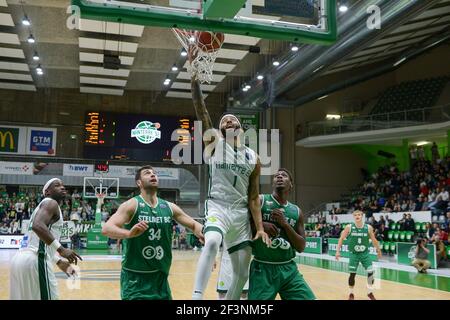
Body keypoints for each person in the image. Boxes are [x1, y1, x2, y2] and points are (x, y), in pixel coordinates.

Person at [190, 76, 269, 300]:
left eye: (232, 119)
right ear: (220, 129)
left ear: (240, 126)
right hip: (218, 206)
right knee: (213, 241)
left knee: (242, 272)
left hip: (241, 213)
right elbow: (201, 112)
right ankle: (197, 297)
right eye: (224, 121)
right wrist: (194, 81)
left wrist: (260, 227)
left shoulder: (254, 157)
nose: (228, 122)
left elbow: (254, 197)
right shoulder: (214, 143)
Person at [102, 165, 204, 300]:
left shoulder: (169, 206)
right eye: (147, 173)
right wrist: (129, 234)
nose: (152, 175)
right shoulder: (132, 205)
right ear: (139, 182)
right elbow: (106, 228)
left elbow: (194, 224)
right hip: (135, 279)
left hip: (161, 278)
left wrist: (209, 240)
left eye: (154, 173)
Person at [248, 169, 315, 300]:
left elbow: (301, 247)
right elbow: (243, 226)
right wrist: (261, 226)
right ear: (273, 183)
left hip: (288, 269)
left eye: (283, 175)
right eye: (276, 176)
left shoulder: (296, 211)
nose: (279, 176)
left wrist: (285, 224)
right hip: (263, 267)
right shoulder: (260, 200)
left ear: (291, 185)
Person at [10, 178, 82, 300]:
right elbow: (37, 226)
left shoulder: (41, 208)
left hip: (20, 259)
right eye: (57, 185)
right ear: (47, 192)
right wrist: (61, 249)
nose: (62, 187)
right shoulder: (51, 202)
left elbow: (38, 240)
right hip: (35, 259)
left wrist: (58, 261)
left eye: (63, 185)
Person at [336, 210, 382, 300]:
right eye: (355, 215)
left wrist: (378, 250)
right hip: (354, 254)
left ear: (362, 216)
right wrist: (338, 251)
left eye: (359, 215)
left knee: (371, 273)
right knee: (352, 275)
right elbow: (341, 239)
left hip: (365, 253)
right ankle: (351, 293)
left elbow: (374, 240)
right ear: (353, 217)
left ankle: (369, 292)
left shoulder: (368, 227)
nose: (357, 216)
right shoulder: (349, 227)